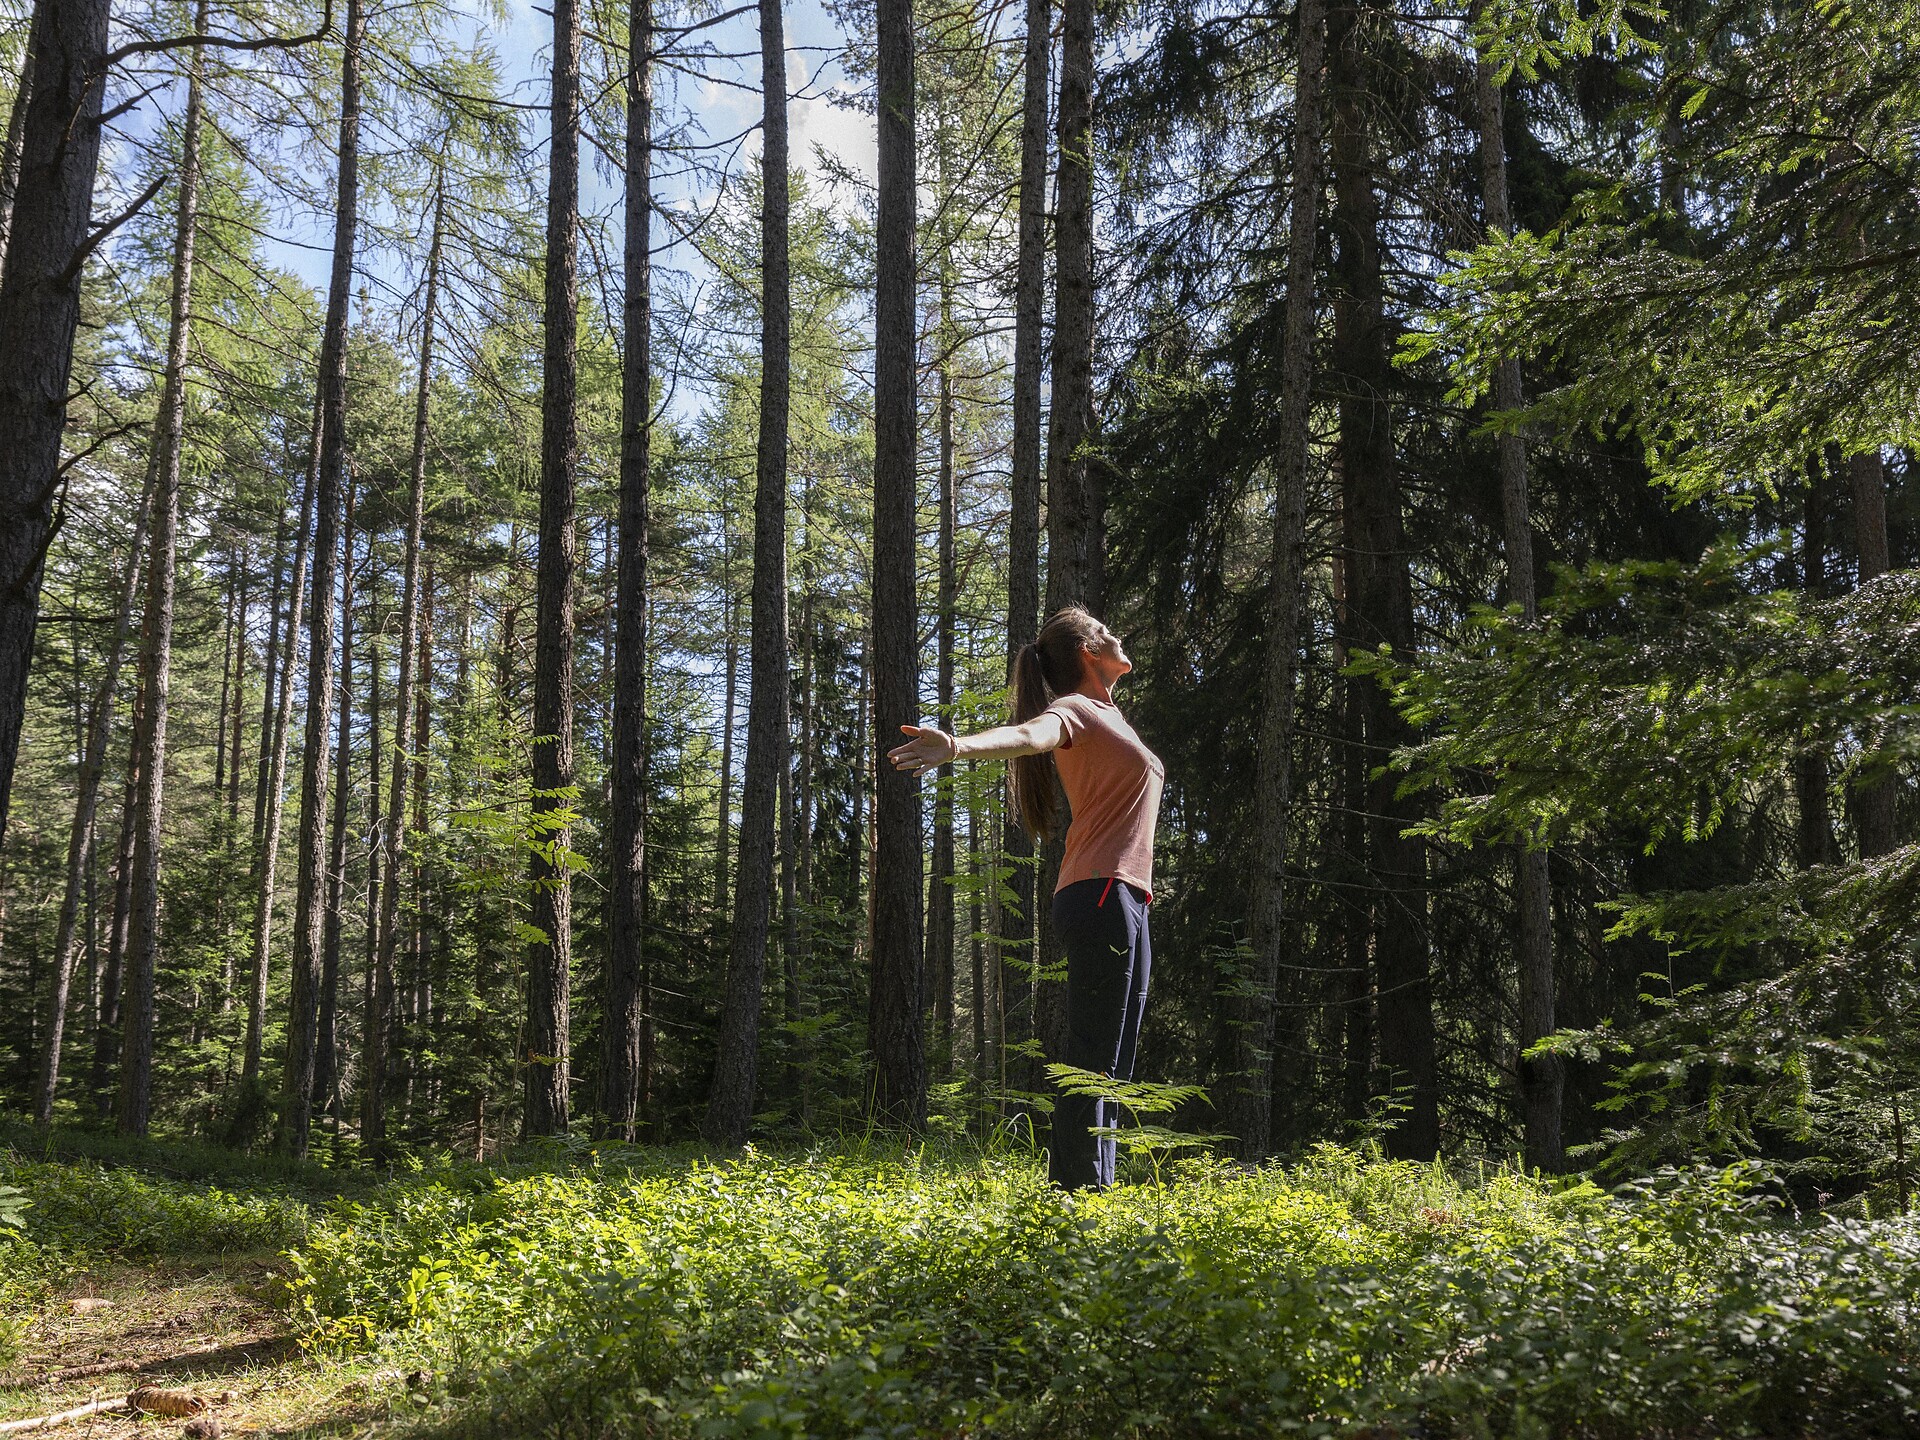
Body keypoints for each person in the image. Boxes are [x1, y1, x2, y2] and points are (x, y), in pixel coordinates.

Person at [888, 606, 1165, 1189]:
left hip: (1127, 898)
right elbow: (1030, 735)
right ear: (1090, 653)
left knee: (1115, 1058)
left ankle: (1098, 1190)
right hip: (1099, 892)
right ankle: (1074, 1196)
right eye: (1107, 631)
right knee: (1094, 1051)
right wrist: (957, 746)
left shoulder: (1111, 717)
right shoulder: (1073, 710)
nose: (1120, 635)